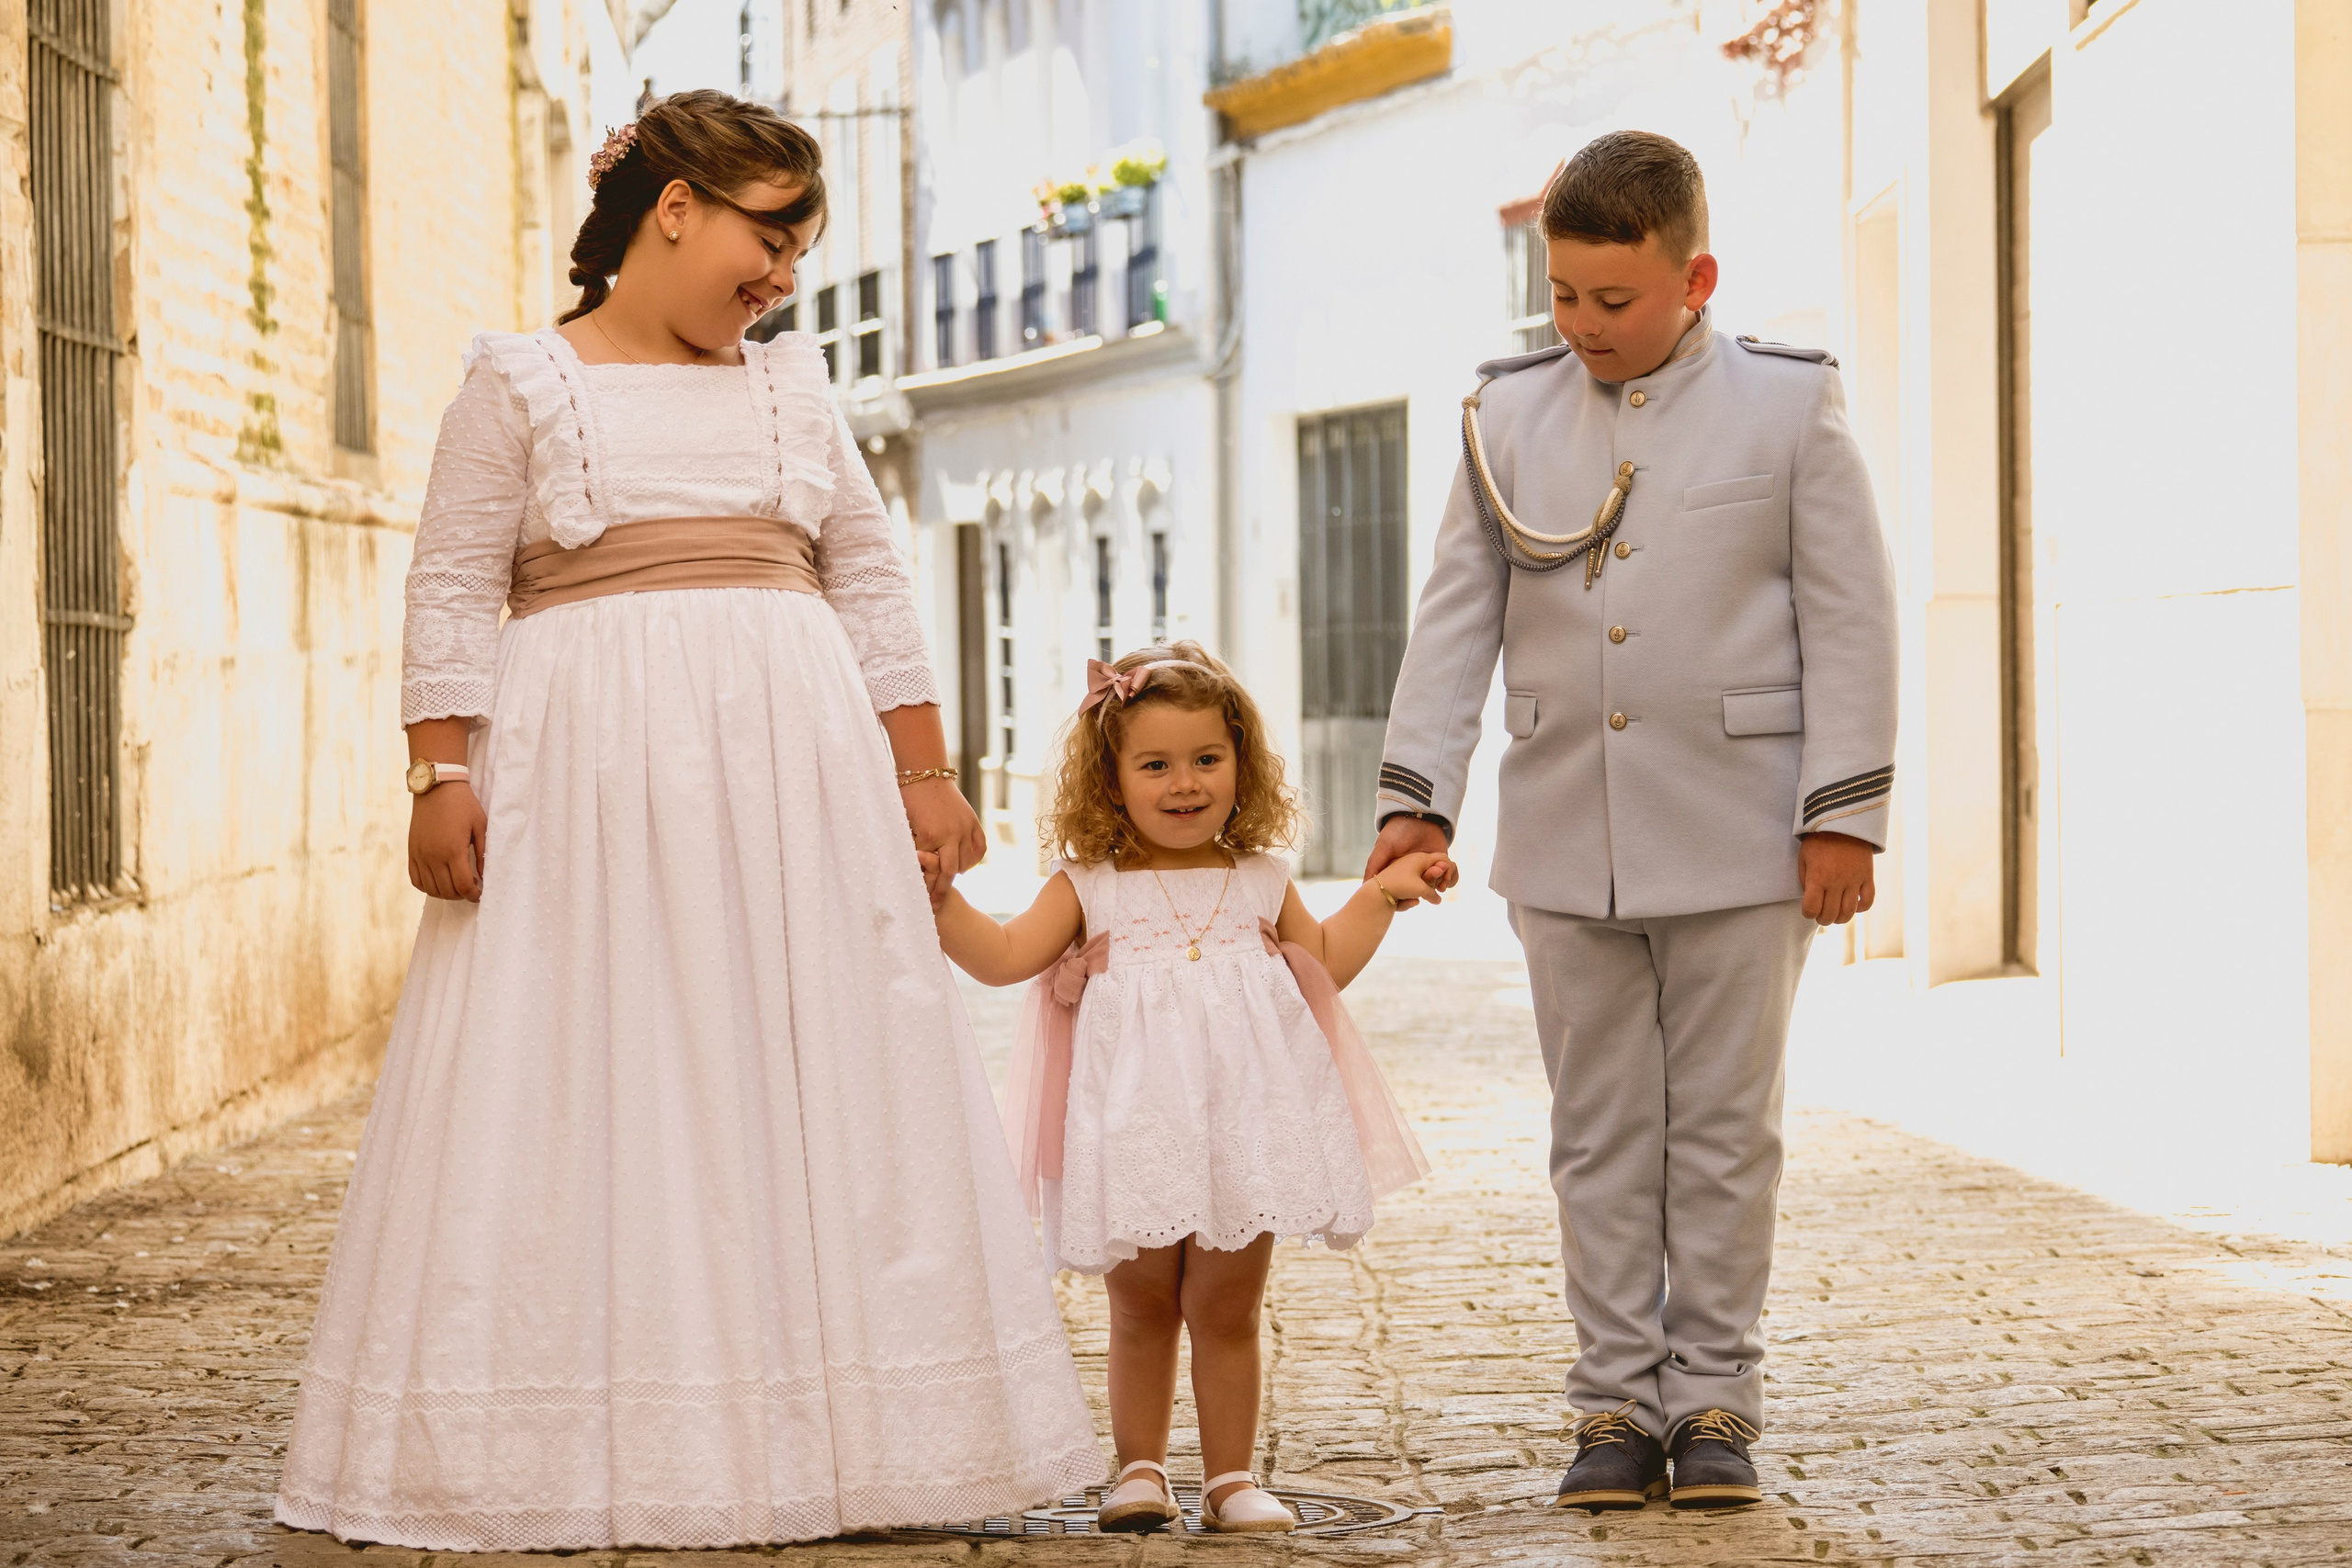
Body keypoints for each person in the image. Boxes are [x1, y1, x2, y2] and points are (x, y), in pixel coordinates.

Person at [274, 91, 1101, 1551]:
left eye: (800, 243)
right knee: (587, 1061)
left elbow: (869, 574)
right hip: (583, 780)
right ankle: (565, 1426)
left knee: (799, 1063)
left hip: (792, 774)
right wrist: (437, 769)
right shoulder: (521, 382)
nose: (784, 270)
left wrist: (926, 769)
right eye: (768, 232)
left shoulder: (793, 389)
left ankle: (840, 1431)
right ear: (673, 210)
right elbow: (454, 580)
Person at [1366, 130, 1899, 1512]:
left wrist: (1843, 813)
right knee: (1598, 1130)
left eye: (1614, 299)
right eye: (1565, 296)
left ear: (1695, 275)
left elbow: (1851, 618)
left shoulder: (1790, 407)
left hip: (1742, 834)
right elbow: (1454, 622)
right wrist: (1413, 799)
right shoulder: (1505, 412)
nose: (1584, 325)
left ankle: (1715, 1400)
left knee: (1724, 1130)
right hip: (1564, 833)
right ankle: (1612, 1401)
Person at [922, 645, 1441, 1535]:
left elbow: (1324, 969)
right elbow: (1006, 958)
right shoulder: (1089, 888)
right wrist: (939, 905)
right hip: (1134, 1132)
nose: (1184, 783)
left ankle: (1233, 1478)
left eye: (1207, 759)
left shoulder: (1261, 881)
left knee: (1227, 1305)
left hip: (1247, 1126)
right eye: (1154, 764)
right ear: (1110, 777)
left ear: (1242, 764)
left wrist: (1382, 896)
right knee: (1141, 1303)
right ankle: (1141, 1469)